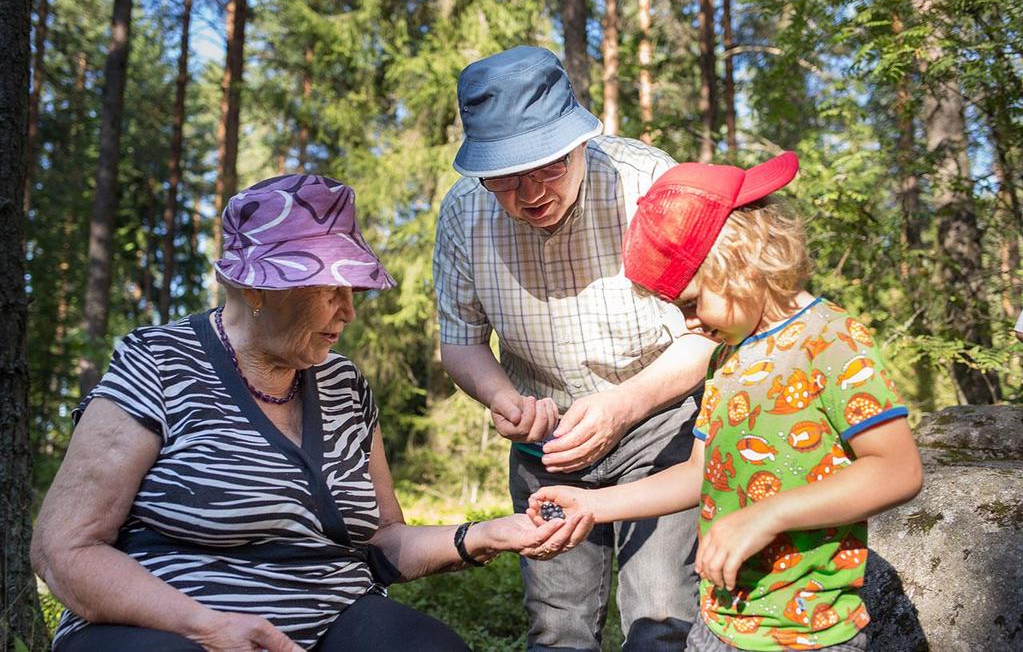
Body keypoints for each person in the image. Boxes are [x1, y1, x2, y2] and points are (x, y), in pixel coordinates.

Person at [32, 174, 588, 652]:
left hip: (327, 618)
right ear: (258, 288)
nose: (348, 309)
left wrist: (483, 535)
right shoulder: (158, 361)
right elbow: (65, 549)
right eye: (331, 288)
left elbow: (383, 540)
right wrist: (206, 627)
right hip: (173, 623)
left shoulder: (343, 382)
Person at [529, 153, 925, 651]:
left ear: (738, 257)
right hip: (717, 624)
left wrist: (768, 514)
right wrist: (592, 504)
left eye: (691, 303)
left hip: (808, 634)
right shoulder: (727, 359)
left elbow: (897, 470)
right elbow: (700, 472)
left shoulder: (831, 342)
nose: (687, 324)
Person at [433, 45, 716, 650]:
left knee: (662, 616)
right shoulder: (462, 215)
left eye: (549, 167)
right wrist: (504, 396)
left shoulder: (647, 183)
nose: (531, 191)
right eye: (507, 175)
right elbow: (459, 342)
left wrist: (623, 405)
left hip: (659, 425)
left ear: (580, 140)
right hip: (546, 443)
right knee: (557, 626)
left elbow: (706, 331)